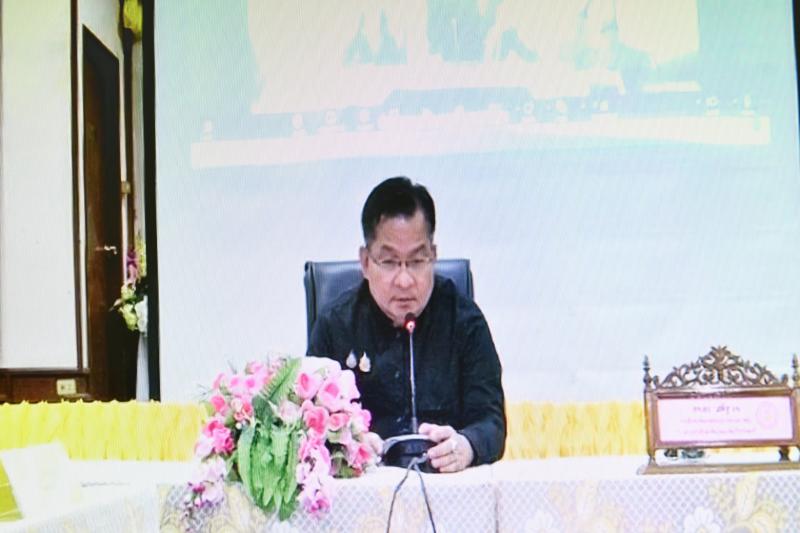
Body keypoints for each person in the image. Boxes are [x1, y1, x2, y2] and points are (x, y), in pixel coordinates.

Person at [307, 177, 506, 472]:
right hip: (365, 489)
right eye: (389, 262)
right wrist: (347, 445)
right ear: (365, 262)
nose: (404, 280)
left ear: (433, 257)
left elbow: (491, 422)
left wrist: (467, 445)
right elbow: (311, 424)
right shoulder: (336, 325)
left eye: (416, 261)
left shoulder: (464, 320)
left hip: (446, 487)